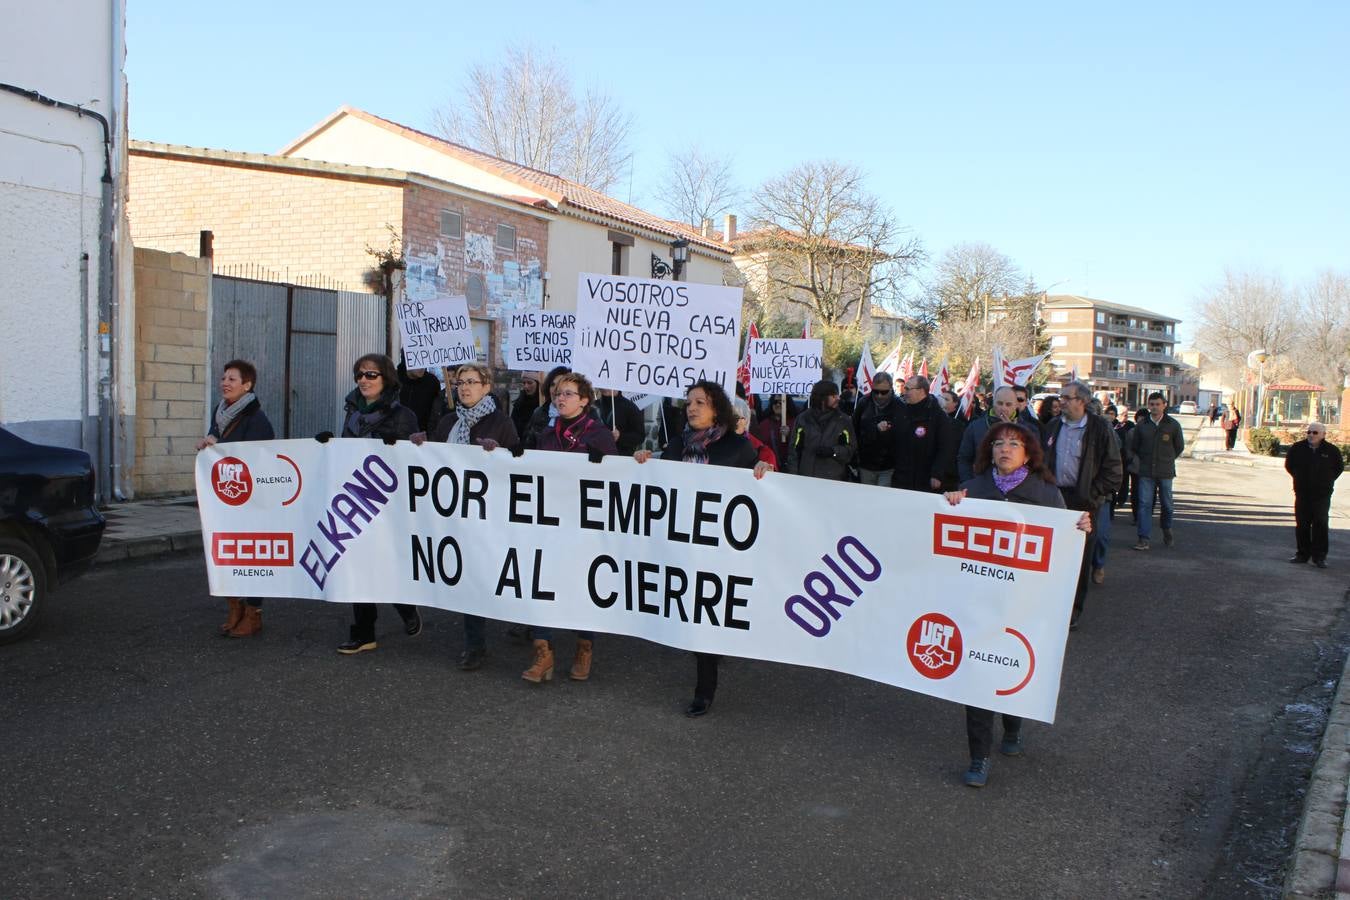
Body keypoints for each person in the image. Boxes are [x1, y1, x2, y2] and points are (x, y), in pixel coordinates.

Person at [944, 422, 1092, 787]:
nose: (1005, 449)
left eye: (1014, 443)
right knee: (976, 675)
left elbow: (1063, 546)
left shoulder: (1045, 494)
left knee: (1012, 664)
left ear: (1028, 453)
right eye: (998, 444)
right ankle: (979, 756)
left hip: (1024, 602)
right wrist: (950, 504)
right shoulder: (974, 490)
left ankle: (1013, 724)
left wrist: (1079, 527)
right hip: (978, 602)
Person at [635, 380, 762, 717]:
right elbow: (659, 478)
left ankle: (704, 690)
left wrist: (765, 469)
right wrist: (646, 460)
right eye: (689, 402)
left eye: (700, 402)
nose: (692, 408)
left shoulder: (736, 447)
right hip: (680, 542)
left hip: (719, 546)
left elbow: (760, 488)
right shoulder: (677, 444)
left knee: (706, 610)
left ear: (716, 408)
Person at [412, 363, 519, 670]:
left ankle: (513, 626)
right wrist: (421, 443)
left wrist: (498, 453)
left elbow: (518, 460)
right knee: (468, 575)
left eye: (472, 382)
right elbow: (433, 457)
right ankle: (475, 645)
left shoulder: (501, 423)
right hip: (452, 513)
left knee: (486, 574)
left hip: (487, 514)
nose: (465, 387)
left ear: (487, 387)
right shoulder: (448, 423)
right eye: (460, 383)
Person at [319, 353, 422, 654]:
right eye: (359, 374)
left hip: (388, 504)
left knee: (387, 563)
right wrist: (329, 446)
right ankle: (363, 632)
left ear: (386, 379)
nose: (363, 380)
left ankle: (405, 606)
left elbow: (414, 460)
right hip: (356, 499)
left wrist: (396, 446)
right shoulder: (352, 412)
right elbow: (345, 453)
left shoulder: (403, 415)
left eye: (371, 375)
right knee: (356, 563)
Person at [523, 372, 617, 684]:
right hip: (548, 521)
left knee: (580, 585)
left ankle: (584, 647)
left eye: (568, 394)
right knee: (542, 582)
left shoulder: (599, 436)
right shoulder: (548, 434)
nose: (560, 398)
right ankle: (543, 652)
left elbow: (615, 481)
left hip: (583, 526)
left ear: (585, 400)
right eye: (558, 394)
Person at [198, 359, 275, 638]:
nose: (225, 383)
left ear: (247, 385)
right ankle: (235, 607)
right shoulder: (221, 414)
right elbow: (218, 447)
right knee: (228, 553)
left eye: (232, 379)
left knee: (250, 555)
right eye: (223, 378)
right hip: (226, 498)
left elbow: (256, 458)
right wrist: (207, 446)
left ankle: (253, 613)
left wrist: (219, 448)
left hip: (250, 500)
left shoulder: (256, 419)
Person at [1041, 381, 1122, 629]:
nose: (1061, 401)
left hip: (1083, 503)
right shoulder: (1053, 426)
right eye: (1060, 396)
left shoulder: (1100, 429)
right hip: (1054, 500)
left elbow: (1113, 470)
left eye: (1067, 397)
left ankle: (1072, 611)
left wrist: (1091, 496)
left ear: (1082, 401)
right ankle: (1048, 606)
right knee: (1050, 557)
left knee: (1078, 558)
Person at [1127, 392, 1185, 551]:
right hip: (1146, 472)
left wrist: (1167, 459)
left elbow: (1179, 446)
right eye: (1151, 404)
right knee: (1145, 504)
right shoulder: (1142, 425)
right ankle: (1143, 538)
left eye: (1157, 404)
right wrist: (1142, 460)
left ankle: (1167, 529)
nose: (1154, 407)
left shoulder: (1172, 425)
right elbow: (1135, 446)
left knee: (1167, 505)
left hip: (1165, 472)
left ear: (1164, 405)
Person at [1285, 422, 1343, 568]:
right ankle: (1302, 554)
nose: (1311, 435)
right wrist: (1299, 478)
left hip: (1322, 495)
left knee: (1321, 523)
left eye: (1315, 433)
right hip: (1303, 493)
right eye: (1309, 432)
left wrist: (1326, 481)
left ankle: (1319, 557)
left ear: (1323, 434)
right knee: (1302, 524)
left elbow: (1338, 468)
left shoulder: (1331, 451)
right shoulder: (1298, 448)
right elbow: (1289, 466)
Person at [892, 375, 955, 493]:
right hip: (902, 477)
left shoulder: (938, 416)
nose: (904, 392)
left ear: (921, 391)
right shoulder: (902, 412)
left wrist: (937, 473)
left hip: (925, 479)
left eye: (907, 389)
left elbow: (945, 447)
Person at [785, 380, 855, 480]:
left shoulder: (843, 421)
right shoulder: (803, 419)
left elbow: (851, 449)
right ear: (822, 398)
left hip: (833, 479)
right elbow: (794, 450)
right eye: (834, 396)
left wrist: (833, 451)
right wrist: (793, 476)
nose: (838, 398)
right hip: (806, 477)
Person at [1092, 405, 1127, 583]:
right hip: (1073, 494)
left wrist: (1104, 488)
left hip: (1100, 494)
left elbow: (1115, 463)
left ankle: (1098, 565)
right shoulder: (1065, 429)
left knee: (1101, 534)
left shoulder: (1106, 430)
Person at [957, 386, 1020, 483]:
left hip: (1015, 487)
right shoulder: (975, 426)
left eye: (1008, 404)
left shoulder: (1027, 429)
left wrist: (1013, 431)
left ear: (1016, 405)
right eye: (999, 403)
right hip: (981, 485)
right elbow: (964, 458)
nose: (1003, 408)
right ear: (993, 403)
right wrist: (969, 483)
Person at [853, 373, 903, 486]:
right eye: (876, 391)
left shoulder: (900, 406)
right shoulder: (863, 403)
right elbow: (854, 429)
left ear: (891, 388)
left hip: (889, 465)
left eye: (884, 392)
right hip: (866, 462)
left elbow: (902, 436)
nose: (879, 395)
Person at [732, 397, 777, 476]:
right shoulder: (707, 444)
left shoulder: (762, 452)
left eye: (735, 418)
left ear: (746, 420)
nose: (729, 423)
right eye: (724, 418)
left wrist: (766, 469)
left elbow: (769, 483)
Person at [397, 359, 443, 433]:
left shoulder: (432, 382)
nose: (422, 366)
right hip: (394, 438)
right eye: (417, 361)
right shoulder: (393, 380)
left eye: (424, 361)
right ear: (407, 360)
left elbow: (436, 413)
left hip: (423, 438)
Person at [596, 388, 646, 455]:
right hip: (593, 457)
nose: (604, 387)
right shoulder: (593, 406)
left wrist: (620, 437)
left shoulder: (630, 407)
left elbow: (640, 436)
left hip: (620, 458)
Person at [754, 394, 798, 467]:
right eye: (775, 402)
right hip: (769, 467)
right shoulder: (764, 424)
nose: (778, 404)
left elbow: (801, 446)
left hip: (790, 468)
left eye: (781, 402)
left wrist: (790, 435)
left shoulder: (796, 423)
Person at [510, 372, 542, 438]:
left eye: (530, 383)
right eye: (524, 383)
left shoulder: (544, 405)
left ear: (538, 384)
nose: (526, 386)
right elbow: (512, 425)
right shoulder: (519, 403)